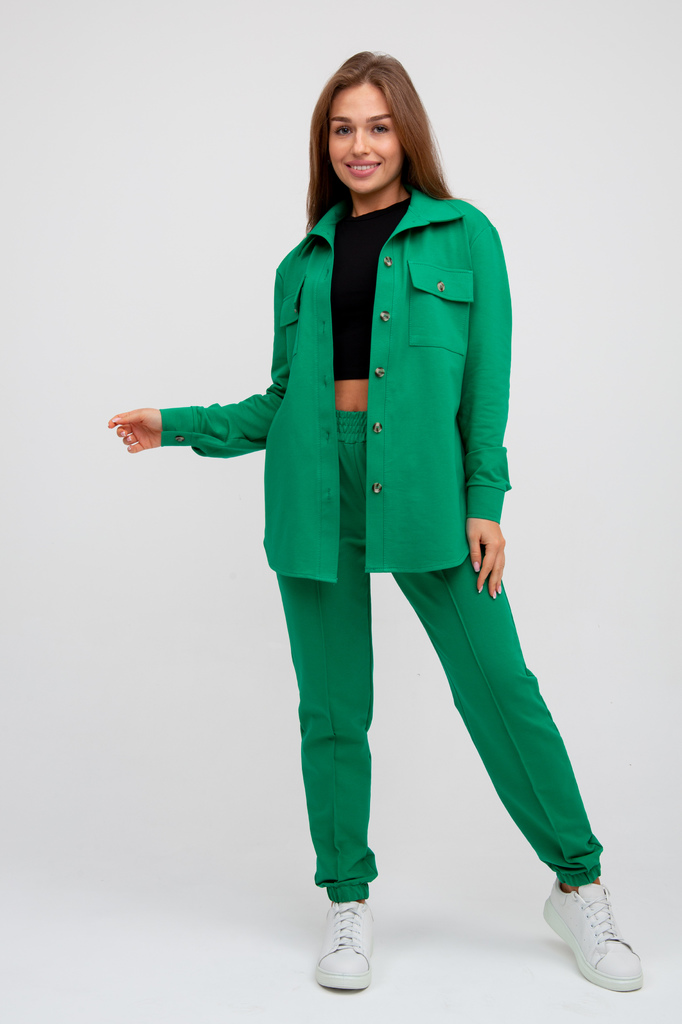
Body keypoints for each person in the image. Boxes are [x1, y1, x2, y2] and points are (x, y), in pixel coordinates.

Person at [108, 51, 642, 993]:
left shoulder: (465, 235)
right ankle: (346, 899)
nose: (360, 145)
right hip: (315, 489)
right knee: (332, 711)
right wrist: (177, 426)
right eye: (343, 128)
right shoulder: (300, 265)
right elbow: (281, 401)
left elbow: (486, 387)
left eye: (378, 126)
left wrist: (485, 502)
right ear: (326, 142)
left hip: (428, 485)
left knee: (501, 686)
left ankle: (578, 883)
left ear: (407, 134)